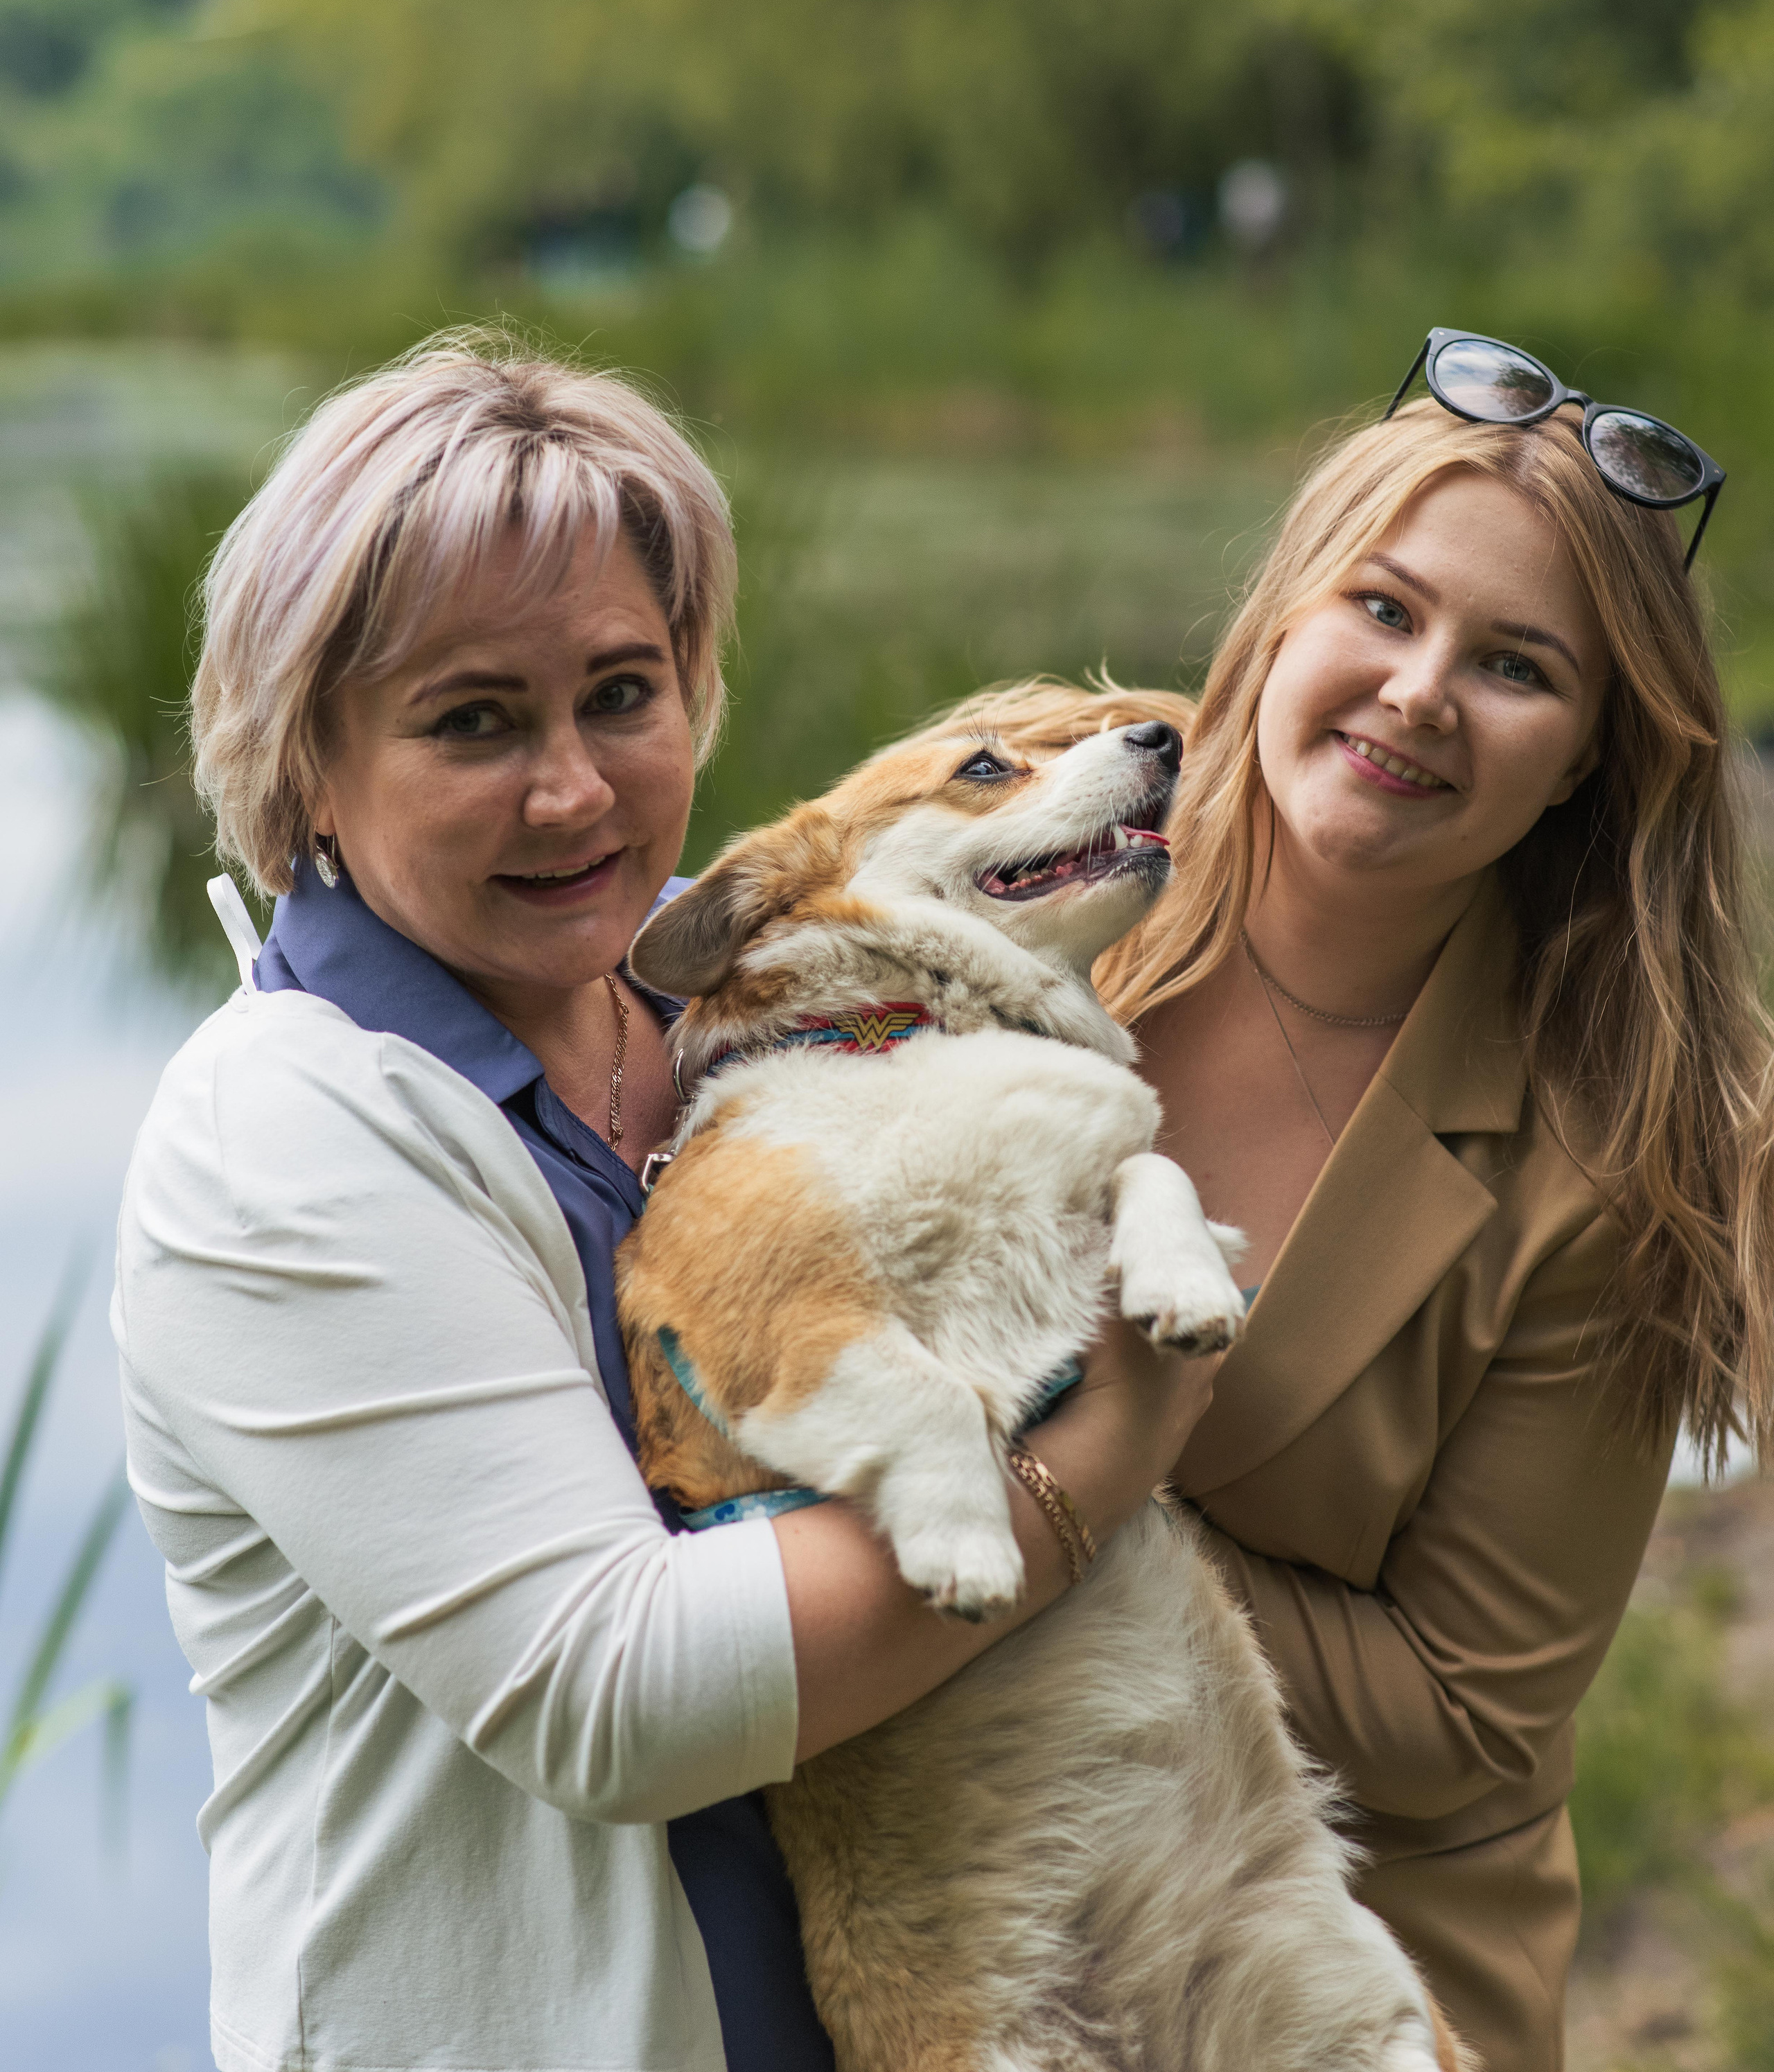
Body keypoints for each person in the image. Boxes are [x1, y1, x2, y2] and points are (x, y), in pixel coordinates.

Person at [113, 331, 1218, 2072]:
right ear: (308, 758)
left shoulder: (761, 978)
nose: (574, 788)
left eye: (621, 694)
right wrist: (1108, 1447)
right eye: (474, 722)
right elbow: (616, 1694)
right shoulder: (280, 1144)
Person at [931, 343, 1774, 2071]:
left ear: (1581, 769)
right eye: (1382, 609)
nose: (1417, 691)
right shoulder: (1027, 859)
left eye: (1515, 666)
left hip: (1335, 1976)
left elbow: (1464, 1719)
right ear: (1281, 618)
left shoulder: (1607, 1164)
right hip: (952, 1885)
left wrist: (1036, 1508)